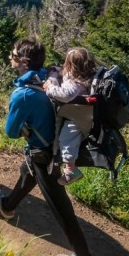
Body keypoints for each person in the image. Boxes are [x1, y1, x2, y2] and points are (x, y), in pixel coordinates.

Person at [0, 39, 101, 256]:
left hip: (48, 156)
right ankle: (7, 205)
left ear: (24, 62)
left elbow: (10, 132)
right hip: (52, 148)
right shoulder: (46, 75)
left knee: (62, 209)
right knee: (27, 170)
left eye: (13, 54)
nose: (10, 56)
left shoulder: (24, 94)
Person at [44, 47, 98, 186]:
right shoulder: (86, 76)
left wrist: (49, 87)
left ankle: (71, 170)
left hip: (77, 117)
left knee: (66, 140)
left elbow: (65, 95)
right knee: (67, 139)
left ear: (71, 66)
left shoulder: (76, 83)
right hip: (80, 113)